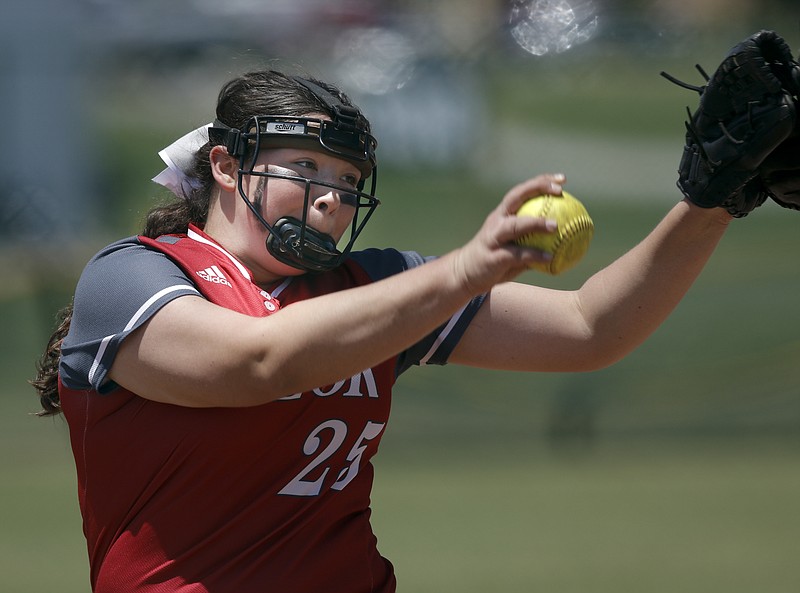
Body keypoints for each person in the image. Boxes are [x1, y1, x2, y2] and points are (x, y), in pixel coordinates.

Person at [29, 57, 790, 592]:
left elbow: (593, 327)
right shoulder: (135, 275)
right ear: (227, 166)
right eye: (309, 169)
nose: (332, 198)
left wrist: (712, 198)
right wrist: (463, 269)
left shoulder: (372, 284)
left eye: (349, 182)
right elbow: (256, 364)